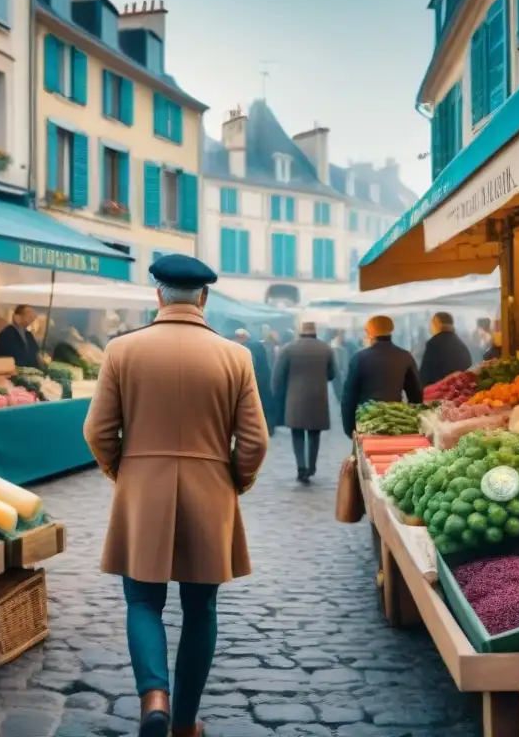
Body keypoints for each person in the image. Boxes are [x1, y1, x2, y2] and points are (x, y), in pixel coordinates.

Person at [83, 254, 268, 737]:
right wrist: (235, 481)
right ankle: (184, 724)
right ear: (204, 298)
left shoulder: (122, 350)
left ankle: (154, 699)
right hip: (211, 491)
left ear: (158, 294)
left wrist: (122, 471)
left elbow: (98, 431)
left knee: (142, 602)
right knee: (200, 608)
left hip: (142, 489)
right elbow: (254, 443)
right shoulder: (236, 356)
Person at [271, 321, 335, 483]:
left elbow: (277, 376)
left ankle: (301, 466)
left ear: (299, 332)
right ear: (315, 332)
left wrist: (277, 394)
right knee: (314, 434)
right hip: (318, 398)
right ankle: (311, 467)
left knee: (297, 433)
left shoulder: (288, 349)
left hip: (295, 398)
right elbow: (332, 373)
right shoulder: (326, 349)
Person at [340, 315, 423, 437]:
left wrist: (349, 429)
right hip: (396, 421)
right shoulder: (405, 356)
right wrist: (411, 421)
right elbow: (416, 394)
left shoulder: (359, 359)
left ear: (370, 334)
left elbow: (348, 398)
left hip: (367, 423)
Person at [235, 329, 275, 436]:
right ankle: (269, 429)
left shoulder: (247, 347)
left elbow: (252, 364)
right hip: (265, 379)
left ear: (242, 337)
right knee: (265, 405)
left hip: (256, 380)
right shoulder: (258, 345)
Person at [419, 311, 473, 387]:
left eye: (431, 323)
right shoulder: (460, 344)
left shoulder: (434, 344)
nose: (430, 327)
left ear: (437, 324)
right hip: (461, 392)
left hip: (441, 393)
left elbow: (424, 375)